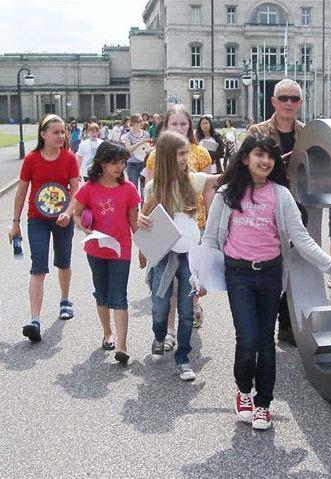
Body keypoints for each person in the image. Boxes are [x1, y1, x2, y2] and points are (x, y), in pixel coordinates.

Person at [201, 134, 331, 430]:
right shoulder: (227, 194)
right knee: (247, 339)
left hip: (271, 274)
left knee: (265, 342)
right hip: (239, 274)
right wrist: (201, 279)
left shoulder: (280, 195)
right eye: (259, 154)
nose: (266, 161)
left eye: (271, 156)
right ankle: (244, 391)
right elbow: (210, 240)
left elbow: (302, 240)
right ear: (246, 158)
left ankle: (263, 404)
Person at [137, 131, 217, 380]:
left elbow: (219, 178)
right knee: (160, 307)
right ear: (168, 157)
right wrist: (142, 250)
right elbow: (145, 220)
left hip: (189, 256)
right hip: (163, 254)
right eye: (181, 154)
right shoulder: (153, 187)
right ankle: (159, 336)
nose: (186, 158)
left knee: (186, 308)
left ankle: (182, 358)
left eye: (186, 153)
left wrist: (247, 162)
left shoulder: (192, 180)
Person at [9, 114, 79, 342]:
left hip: (63, 219)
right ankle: (35, 320)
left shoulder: (69, 158)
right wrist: (15, 223)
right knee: (38, 266)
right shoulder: (31, 159)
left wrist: (68, 213)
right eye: (55, 132)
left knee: (63, 261)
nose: (61, 136)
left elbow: (76, 191)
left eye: (63, 132)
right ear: (43, 134)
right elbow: (21, 192)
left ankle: (65, 300)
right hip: (37, 219)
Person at [145, 105, 212, 335]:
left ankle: (191, 308)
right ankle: (170, 331)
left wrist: (210, 220)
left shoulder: (200, 152)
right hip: (167, 227)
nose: (180, 127)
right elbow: (151, 195)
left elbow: (209, 188)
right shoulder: (157, 155)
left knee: (189, 278)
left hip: (195, 221)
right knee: (169, 285)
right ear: (166, 126)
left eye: (184, 123)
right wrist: (147, 242)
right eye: (174, 124)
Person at [248, 78, 305, 346]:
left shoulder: (308, 133)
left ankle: (287, 323)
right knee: (267, 266)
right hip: (264, 207)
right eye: (284, 98)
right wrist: (272, 166)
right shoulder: (257, 132)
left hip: (299, 206)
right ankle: (262, 324)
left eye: (294, 99)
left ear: (301, 103)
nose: (289, 104)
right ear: (273, 102)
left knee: (294, 266)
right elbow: (242, 167)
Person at [72, 141, 140, 364]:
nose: (119, 167)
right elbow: (76, 214)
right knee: (101, 293)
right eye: (114, 163)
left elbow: (134, 223)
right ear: (101, 163)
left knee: (119, 295)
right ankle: (107, 333)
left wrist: (143, 249)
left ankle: (122, 345)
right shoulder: (89, 188)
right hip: (96, 249)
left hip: (121, 250)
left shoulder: (129, 189)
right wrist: (85, 229)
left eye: (122, 162)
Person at [122, 114, 151, 191]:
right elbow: (128, 150)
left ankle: (144, 203)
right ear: (133, 123)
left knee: (144, 187)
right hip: (132, 164)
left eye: (142, 121)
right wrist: (140, 142)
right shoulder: (128, 136)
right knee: (133, 187)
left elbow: (148, 148)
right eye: (139, 121)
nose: (141, 123)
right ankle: (134, 203)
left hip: (144, 163)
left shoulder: (146, 134)